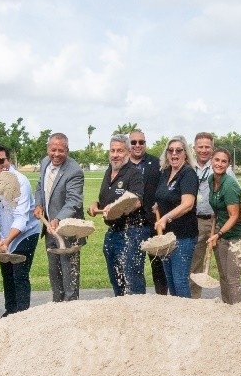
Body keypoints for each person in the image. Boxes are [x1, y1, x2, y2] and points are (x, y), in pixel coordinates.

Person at [0, 145, 41, 314]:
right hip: (3, 233)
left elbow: (22, 217)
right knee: (7, 275)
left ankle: (22, 316)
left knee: (19, 275)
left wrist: (7, 240)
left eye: (1, 160)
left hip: (25, 233)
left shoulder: (21, 181)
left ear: (9, 160)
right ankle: (10, 312)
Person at [90, 134, 146, 295]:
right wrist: (96, 205)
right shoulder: (109, 171)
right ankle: (122, 314)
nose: (115, 155)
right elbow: (105, 201)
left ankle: (138, 314)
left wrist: (115, 207)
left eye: (120, 151)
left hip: (131, 232)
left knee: (132, 280)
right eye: (112, 150)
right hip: (113, 232)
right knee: (117, 280)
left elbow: (136, 201)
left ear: (128, 152)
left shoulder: (133, 173)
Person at [35, 133, 85, 302]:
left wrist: (58, 219)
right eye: (53, 150)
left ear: (67, 150)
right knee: (54, 270)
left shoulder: (74, 171)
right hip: (49, 228)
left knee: (69, 270)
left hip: (68, 229)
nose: (56, 154)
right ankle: (57, 305)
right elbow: (39, 186)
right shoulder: (44, 163)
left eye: (61, 151)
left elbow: (74, 201)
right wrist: (38, 204)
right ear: (47, 149)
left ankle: (71, 307)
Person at [153, 136, 200, 298]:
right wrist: (158, 205)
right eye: (170, 150)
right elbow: (164, 195)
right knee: (171, 279)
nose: (174, 154)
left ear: (185, 154)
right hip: (167, 236)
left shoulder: (188, 174)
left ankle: (186, 317)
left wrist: (166, 218)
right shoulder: (166, 172)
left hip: (183, 236)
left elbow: (188, 204)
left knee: (180, 280)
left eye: (178, 150)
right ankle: (177, 314)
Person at [206, 147, 241, 304]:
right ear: (211, 160)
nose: (219, 163)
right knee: (223, 276)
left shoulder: (230, 185)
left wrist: (218, 234)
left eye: (223, 161)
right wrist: (216, 214)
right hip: (224, 233)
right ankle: (227, 310)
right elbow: (219, 205)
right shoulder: (211, 180)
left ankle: (239, 312)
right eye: (217, 160)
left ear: (228, 165)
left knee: (232, 278)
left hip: (237, 236)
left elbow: (234, 216)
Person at [127, 129, 167, 295]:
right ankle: (138, 302)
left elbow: (164, 188)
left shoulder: (157, 163)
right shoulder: (122, 164)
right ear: (129, 144)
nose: (137, 145)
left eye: (141, 142)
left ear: (145, 143)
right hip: (130, 224)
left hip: (152, 223)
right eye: (134, 142)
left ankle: (162, 300)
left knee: (159, 267)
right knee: (134, 267)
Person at [189, 132, 219, 298]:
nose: (204, 150)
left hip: (217, 221)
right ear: (194, 148)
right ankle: (194, 302)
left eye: (207, 147)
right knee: (195, 265)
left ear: (212, 149)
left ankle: (231, 306)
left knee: (224, 265)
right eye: (200, 147)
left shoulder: (222, 166)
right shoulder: (187, 166)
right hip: (196, 221)